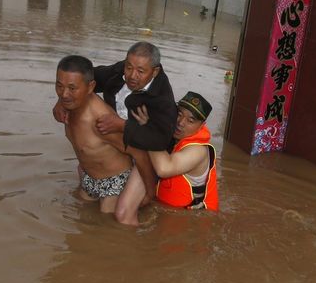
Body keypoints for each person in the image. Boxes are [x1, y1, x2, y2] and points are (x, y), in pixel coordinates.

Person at [54, 41, 177, 209]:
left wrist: (123, 125)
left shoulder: (163, 101)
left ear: (154, 71)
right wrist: (61, 101)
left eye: (141, 71)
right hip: (105, 158)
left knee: (122, 216)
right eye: (129, 68)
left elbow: (159, 141)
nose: (132, 75)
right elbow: (83, 78)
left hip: (146, 147)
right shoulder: (120, 70)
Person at [55, 55, 145, 225]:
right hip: (90, 178)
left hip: (115, 183)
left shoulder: (101, 121)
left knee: (108, 228)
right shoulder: (68, 106)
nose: (64, 94)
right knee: (80, 218)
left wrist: (146, 193)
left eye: (72, 88)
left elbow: (138, 153)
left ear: (91, 87)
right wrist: (59, 102)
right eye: (59, 86)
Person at [131, 91, 218, 211]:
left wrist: (149, 129)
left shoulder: (198, 151)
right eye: (179, 114)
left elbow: (164, 168)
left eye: (190, 121)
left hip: (189, 219)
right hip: (166, 206)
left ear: (202, 125)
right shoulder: (172, 135)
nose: (181, 123)